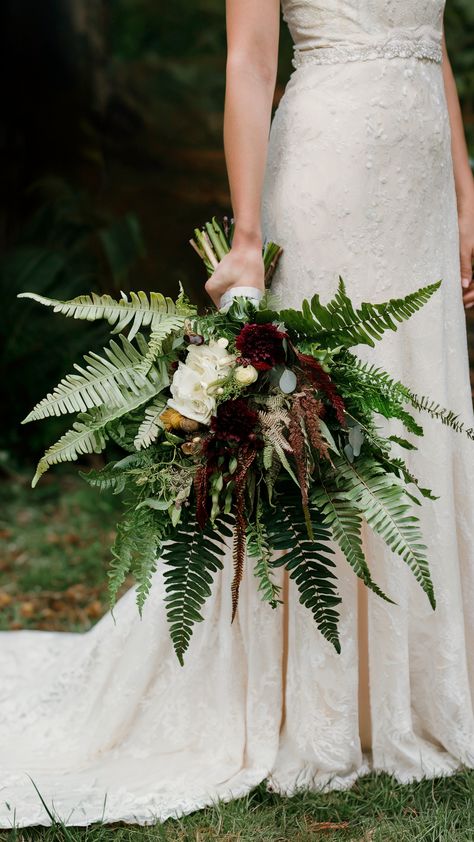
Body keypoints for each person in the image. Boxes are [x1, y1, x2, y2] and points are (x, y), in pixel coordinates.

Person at [1, 0, 473, 829]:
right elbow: (249, 64)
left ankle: (420, 681)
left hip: (422, 195)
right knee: (323, 432)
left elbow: (430, 48)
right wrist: (248, 236)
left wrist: (468, 199)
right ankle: (320, 694)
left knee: (418, 416)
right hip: (331, 174)